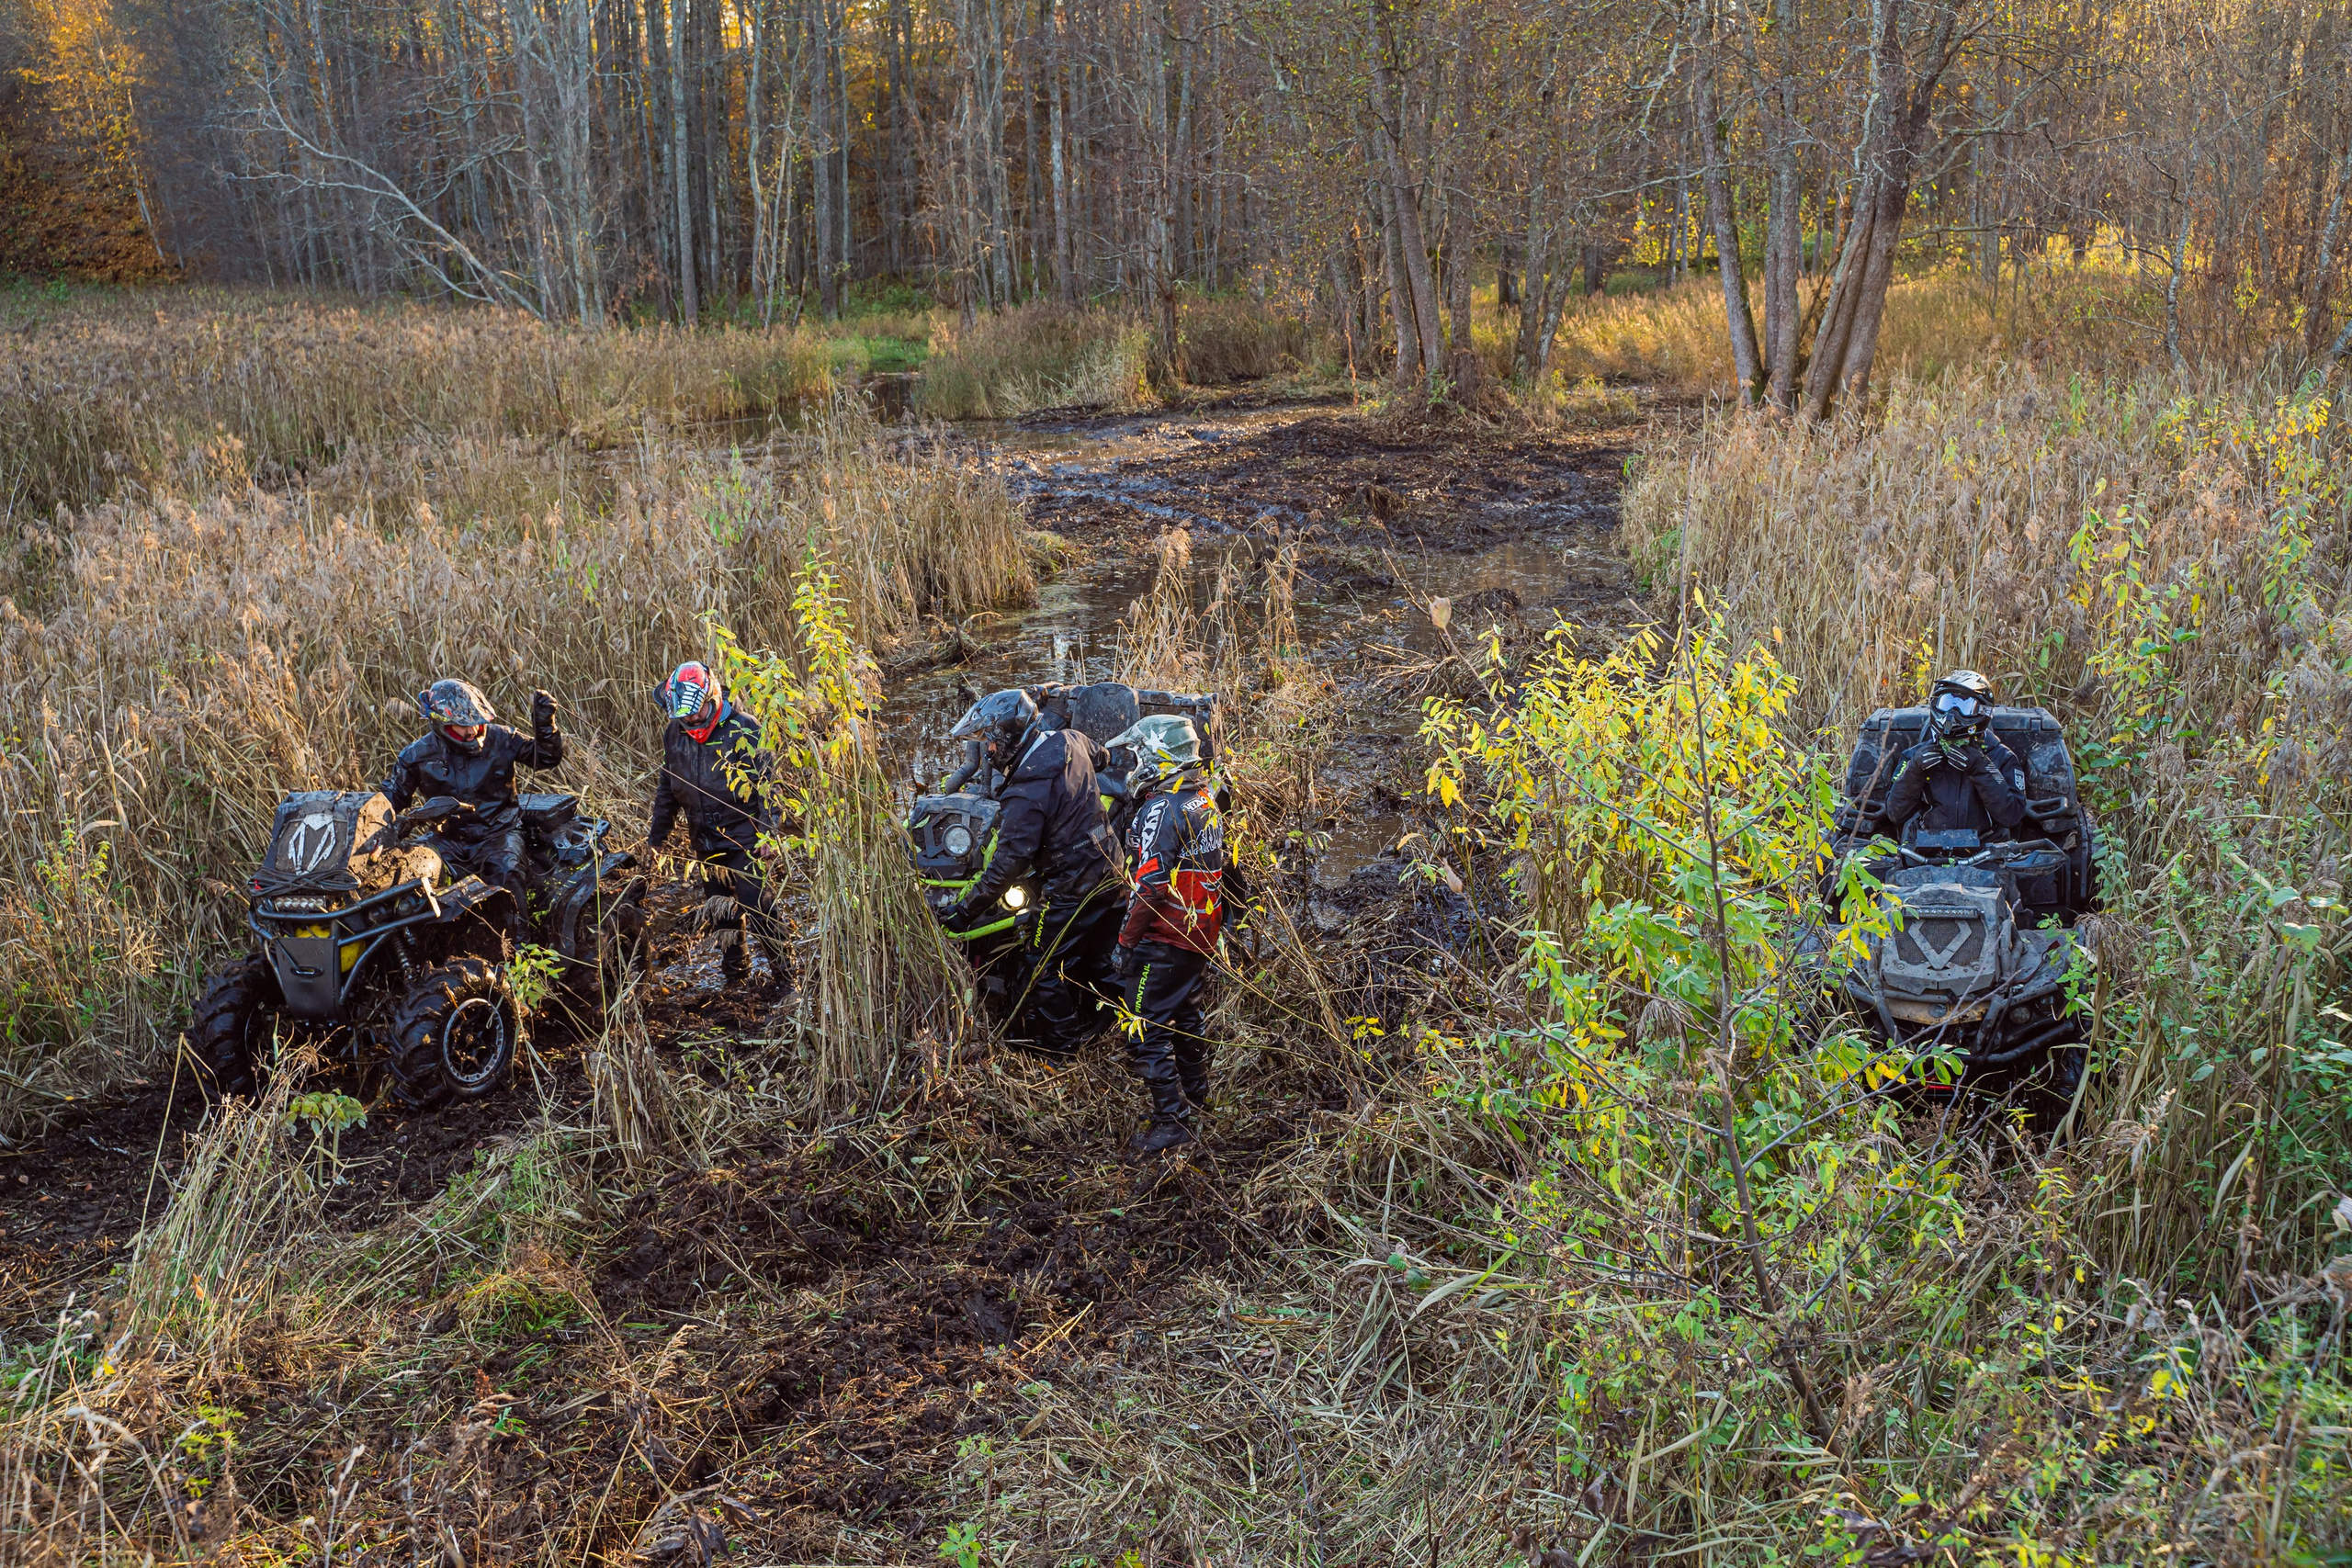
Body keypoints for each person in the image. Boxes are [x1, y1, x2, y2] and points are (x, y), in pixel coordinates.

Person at [941, 688, 1124, 1057]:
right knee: (1099, 960)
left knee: (1042, 965)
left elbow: (1006, 866)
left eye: (989, 743)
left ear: (1008, 736)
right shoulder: (1071, 739)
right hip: (1112, 869)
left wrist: (962, 914)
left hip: (1072, 888)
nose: (987, 751)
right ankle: (1121, 1024)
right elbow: (1102, 757)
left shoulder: (1025, 793)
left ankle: (1062, 1051)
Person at [1106, 714, 1226, 1156]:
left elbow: (1152, 885)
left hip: (1166, 935)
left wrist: (1124, 942)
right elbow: (1224, 864)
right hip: (1199, 932)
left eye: (1139, 754)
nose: (1134, 763)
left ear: (1159, 756)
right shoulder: (1203, 797)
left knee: (1143, 1028)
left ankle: (1171, 1121)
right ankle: (1197, 1095)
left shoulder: (1162, 808)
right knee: (1187, 1012)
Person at [382, 678, 563, 942]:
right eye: (463, 726)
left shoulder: (502, 737)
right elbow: (391, 797)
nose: (471, 732)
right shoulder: (416, 755)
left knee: (506, 870)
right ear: (441, 724)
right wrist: (376, 822)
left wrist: (545, 725)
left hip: (499, 831)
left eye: (476, 724)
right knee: (410, 874)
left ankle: (521, 949)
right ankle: (423, 950)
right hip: (447, 839)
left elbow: (546, 758)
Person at [647, 660, 789, 992]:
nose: (691, 719)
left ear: (710, 697)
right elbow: (667, 789)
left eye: (695, 712)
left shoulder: (745, 728)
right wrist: (655, 840)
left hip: (744, 835)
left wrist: (768, 830)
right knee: (721, 913)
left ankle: (785, 977)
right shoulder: (675, 733)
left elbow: (769, 785)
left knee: (758, 908)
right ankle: (736, 979)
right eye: (684, 714)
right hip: (704, 839)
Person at [1885, 669, 2026, 837]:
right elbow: (1894, 814)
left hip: (1986, 851)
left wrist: (1981, 767)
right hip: (1926, 850)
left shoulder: (2002, 757)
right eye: (1947, 704)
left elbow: (2012, 816)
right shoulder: (1915, 757)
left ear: (1982, 711)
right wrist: (1914, 771)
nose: (1952, 715)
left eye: (1963, 706)